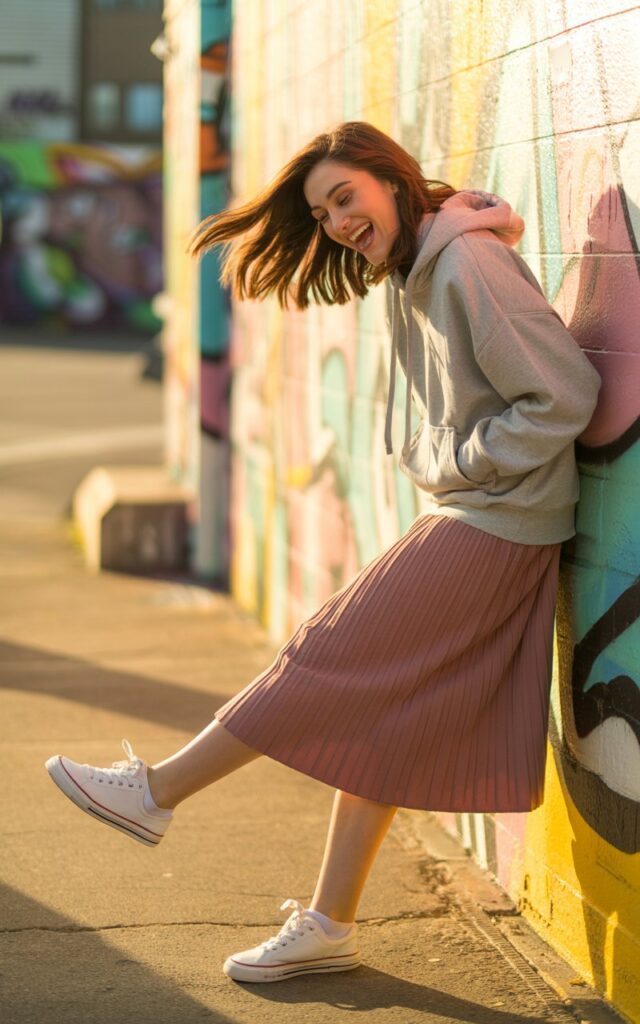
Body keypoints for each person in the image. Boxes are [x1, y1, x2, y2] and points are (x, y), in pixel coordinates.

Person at [45, 121, 601, 985]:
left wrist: (458, 460)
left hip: (498, 518)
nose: (338, 222)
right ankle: (329, 923)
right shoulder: (424, 265)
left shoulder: (466, 265)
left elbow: (565, 393)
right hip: (492, 513)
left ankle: (156, 794)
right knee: (382, 722)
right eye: (323, 211)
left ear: (391, 178)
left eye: (346, 197)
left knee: (322, 654)